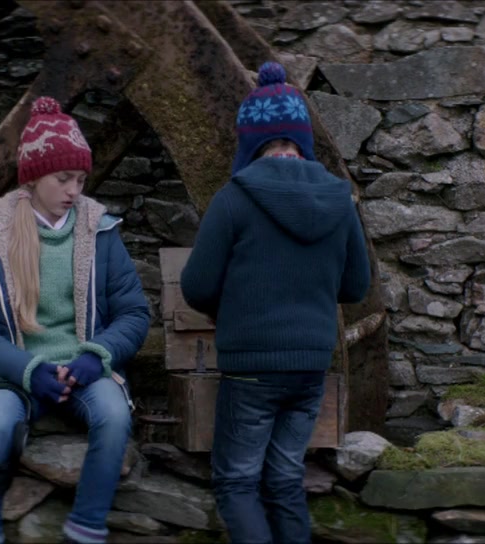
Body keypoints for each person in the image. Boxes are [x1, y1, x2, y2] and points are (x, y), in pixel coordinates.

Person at [180, 61, 372, 544]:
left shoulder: (234, 197)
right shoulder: (338, 198)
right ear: (302, 139)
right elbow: (356, 287)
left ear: (250, 142)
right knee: (286, 479)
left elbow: (196, 286)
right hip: (310, 365)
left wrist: (234, 306)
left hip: (251, 366)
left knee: (237, 482)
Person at [0, 96, 150, 544]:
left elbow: (135, 313)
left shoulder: (100, 231)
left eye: (80, 179)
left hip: (86, 370)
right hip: (16, 373)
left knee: (114, 416)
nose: (74, 190)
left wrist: (97, 357)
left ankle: (86, 528)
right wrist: (27, 370)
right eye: (63, 179)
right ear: (34, 176)